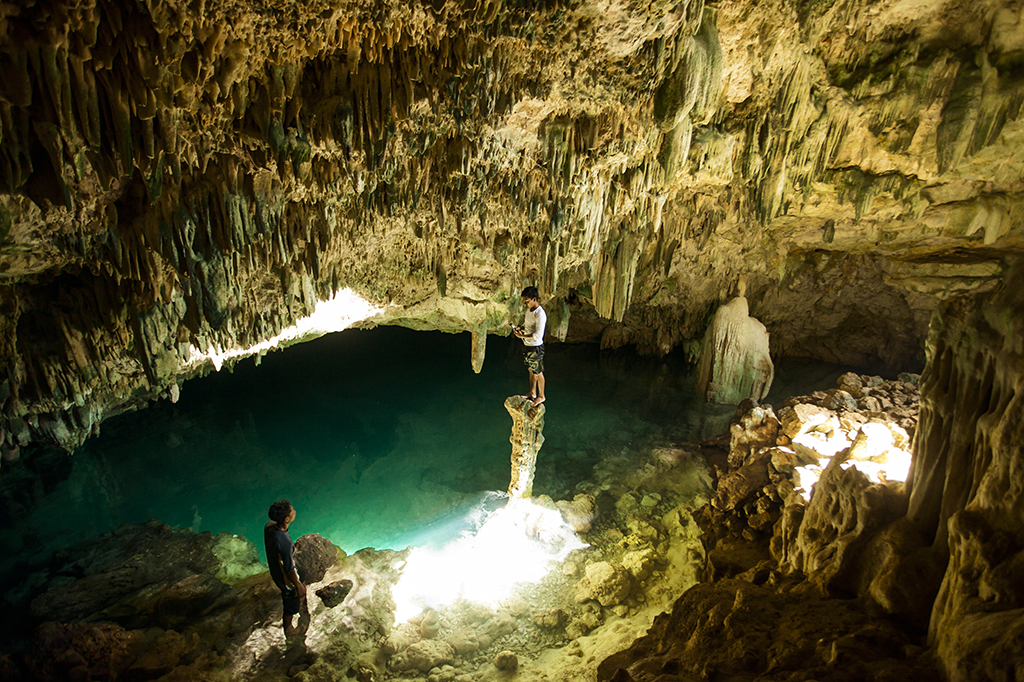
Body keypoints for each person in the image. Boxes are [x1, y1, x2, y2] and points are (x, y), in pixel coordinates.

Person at [264, 500, 307, 637]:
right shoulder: (285, 542)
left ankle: (300, 603)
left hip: (275, 569)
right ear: (286, 519)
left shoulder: (269, 526)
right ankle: (289, 629)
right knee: (290, 602)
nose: (294, 511)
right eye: (292, 510)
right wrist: (297, 585)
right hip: (285, 578)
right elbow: (289, 569)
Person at [511, 286, 547, 406]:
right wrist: (520, 328)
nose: (525, 303)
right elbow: (527, 324)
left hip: (535, 347)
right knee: (531, 370)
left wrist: (522, 336)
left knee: (538, 372)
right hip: (527, 345)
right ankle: (532, 393)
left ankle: (541, 396)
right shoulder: (530, 310)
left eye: (527, 301)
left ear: (534, 299)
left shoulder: (540, 314)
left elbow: (538, 335)